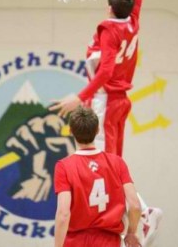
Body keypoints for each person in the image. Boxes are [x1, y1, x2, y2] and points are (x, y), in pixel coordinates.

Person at [50, 0, 162, 245]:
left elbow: (107, 69)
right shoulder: (133, 19)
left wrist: (80, 96)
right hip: (121, 101)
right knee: (114, 163)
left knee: (108, 165)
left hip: (107, 101)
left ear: (109, 8)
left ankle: (144, 214)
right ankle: (138, 213)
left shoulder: (109, 30)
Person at [54, 106, 142, 247]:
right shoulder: (117, 162)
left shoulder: (64, 166)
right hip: (109, 241)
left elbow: (63, 214)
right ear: (97, 130)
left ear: (70, 131)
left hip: (75, 242)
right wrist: (131, 233)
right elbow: (135, 205)